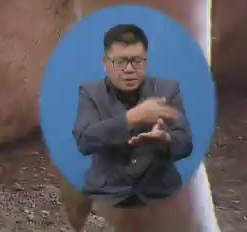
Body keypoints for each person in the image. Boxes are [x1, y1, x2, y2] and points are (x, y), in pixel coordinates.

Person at [72, 23, 193, 209]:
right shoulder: (90, 92)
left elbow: (185, 143)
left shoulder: (167, 90)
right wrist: (131, 118)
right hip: (106, 194)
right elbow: (84, 141)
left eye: (137, 61)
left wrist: (165, 140)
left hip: (160, 193)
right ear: (105, 64)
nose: (129, 69)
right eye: (120, 62)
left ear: (146, 61)